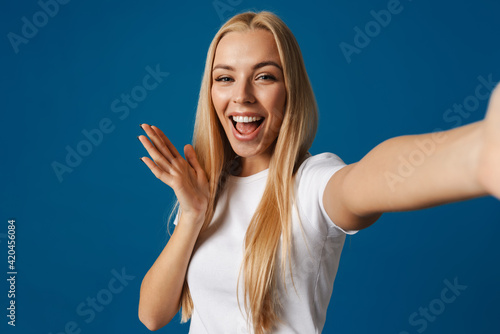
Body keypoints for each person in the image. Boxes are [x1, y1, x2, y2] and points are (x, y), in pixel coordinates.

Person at [137, 10, 499, 334]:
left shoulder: (311, 182)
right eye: (225, 78)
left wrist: (479, 153)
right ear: (210, 91)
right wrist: (193, 214)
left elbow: (369, 178)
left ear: (290, 91)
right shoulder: (206, 190)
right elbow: (152, 316)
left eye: (264, 77)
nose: (242, 95)